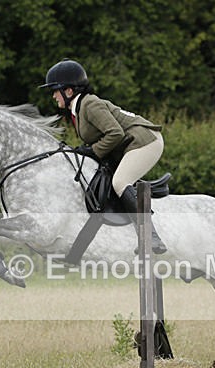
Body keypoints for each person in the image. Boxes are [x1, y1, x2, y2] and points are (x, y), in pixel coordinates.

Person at [40, 59, 167, 254]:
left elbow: (115, 133)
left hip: (145, 140)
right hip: (130, 143)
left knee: (120, 182)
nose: (53, 95)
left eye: (55, 90)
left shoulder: (89, 104)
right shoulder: (79, 108)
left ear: (69, 91)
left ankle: (151, 238)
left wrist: (93, 151)